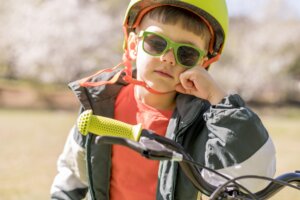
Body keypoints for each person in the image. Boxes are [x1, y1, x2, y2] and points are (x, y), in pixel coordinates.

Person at [51, 0, 276, 200]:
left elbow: (254, 180)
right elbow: (73, 171)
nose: (168, 58)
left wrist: (218, 99)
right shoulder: (101, 104)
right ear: (133, 45)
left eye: (186, 53)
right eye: (156, 43)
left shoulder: (205, 123)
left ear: (203, 65)